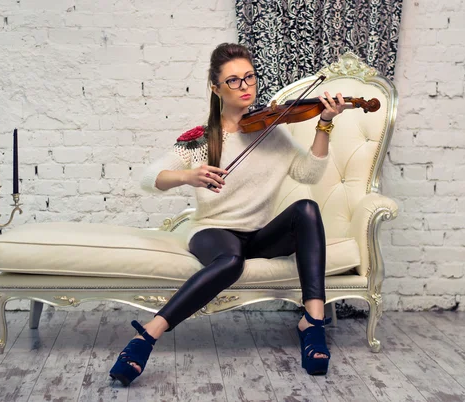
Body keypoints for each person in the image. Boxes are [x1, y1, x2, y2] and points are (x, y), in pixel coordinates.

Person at [109, 42, 350, 386]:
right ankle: (147, 335)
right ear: (215, 88)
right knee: (230, 260)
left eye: (249, 77)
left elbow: (309, 174)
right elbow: (149, 179)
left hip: (258, 234)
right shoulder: (201, 139)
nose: (246, 87)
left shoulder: (272, 129)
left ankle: (311, 323)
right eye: (234, 81)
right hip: (213, 232)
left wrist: (324, 123)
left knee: (307, 210)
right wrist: (188, 175)